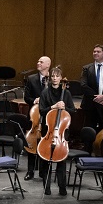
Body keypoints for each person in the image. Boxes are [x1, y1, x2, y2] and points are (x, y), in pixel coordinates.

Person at [38, 67, 74, 196]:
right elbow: (42, 111)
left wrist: (65, 107)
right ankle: (46, 188)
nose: (54, 78)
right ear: (50, 78)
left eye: (57, 76)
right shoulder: (45, 93)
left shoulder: (66, 93)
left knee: (61, 161)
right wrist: (53, 107)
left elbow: (73, 110)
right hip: (48, 131)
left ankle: (62, 188)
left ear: (60, 78)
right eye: (52, 76)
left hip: (62, 133)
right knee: (46, 160)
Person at [22, 56, 51, 180]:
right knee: (31, 143)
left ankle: (44, 171)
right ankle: (30, 171)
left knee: (45, 143)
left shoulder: (53, 78)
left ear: (48, 65)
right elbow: (26, 97)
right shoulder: (31, 79)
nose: (38, 63)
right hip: (34, 115)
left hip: (48, 116)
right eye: (38, 61)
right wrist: (34, 100)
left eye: (41, 62)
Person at [79, 44, 103, 129]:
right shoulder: (86, 68)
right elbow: (83, 85)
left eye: (98, 52)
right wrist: (97, 97)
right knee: (89, 130)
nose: (95, 53)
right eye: (94, 51)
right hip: (90, 104)